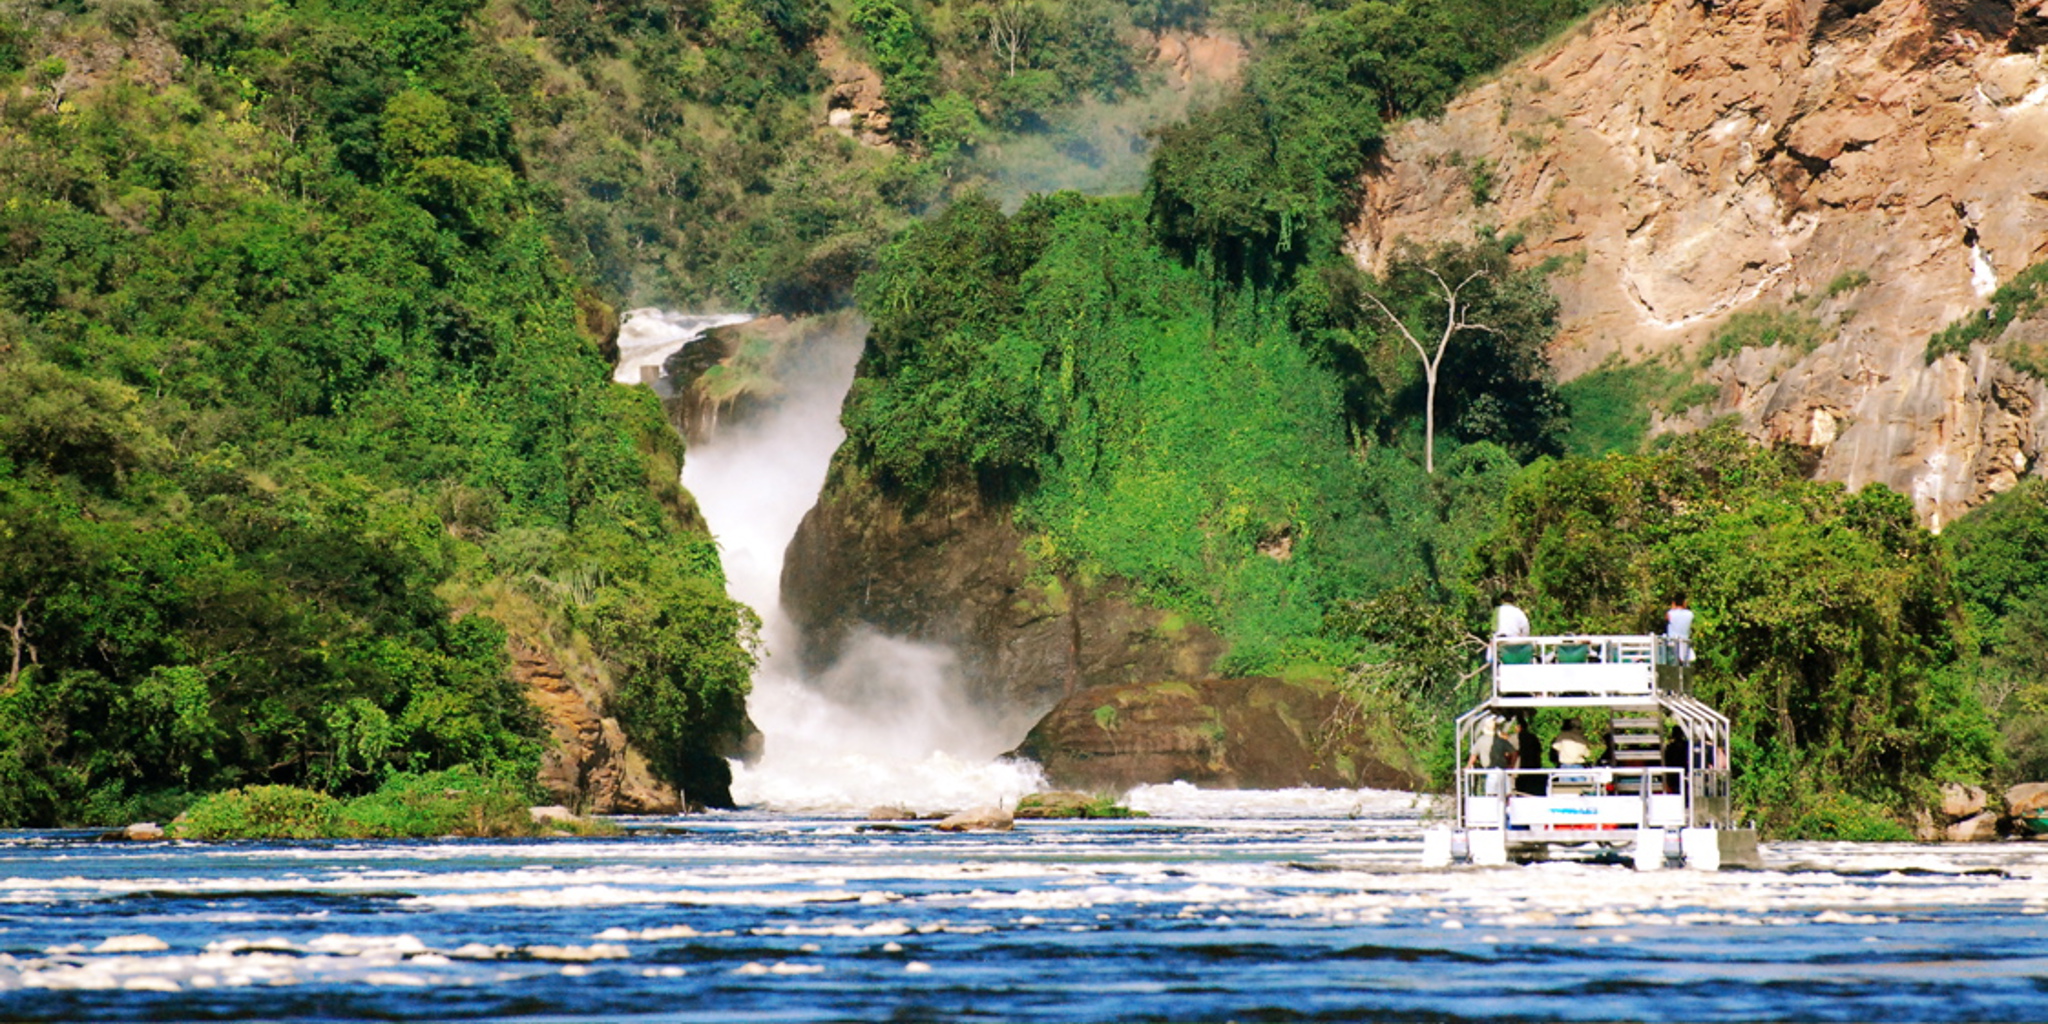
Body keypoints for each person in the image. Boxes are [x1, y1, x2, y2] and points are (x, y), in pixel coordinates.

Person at [1515, 714, 1546, 795]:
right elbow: (1539, 750)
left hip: (1520, 768)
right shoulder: (1533, 738)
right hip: (1533, 766)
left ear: (1518, 727)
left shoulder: (1515, 738)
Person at [1666, 596, 1694, 665]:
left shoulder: (1670, 613)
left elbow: (1666, 619)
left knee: (1672, 664)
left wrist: (1673, 608)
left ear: (1674, 603)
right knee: (1685, 665)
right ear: (1684, 603)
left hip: (1672, 643)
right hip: (1685, 643)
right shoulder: (1690, 614)